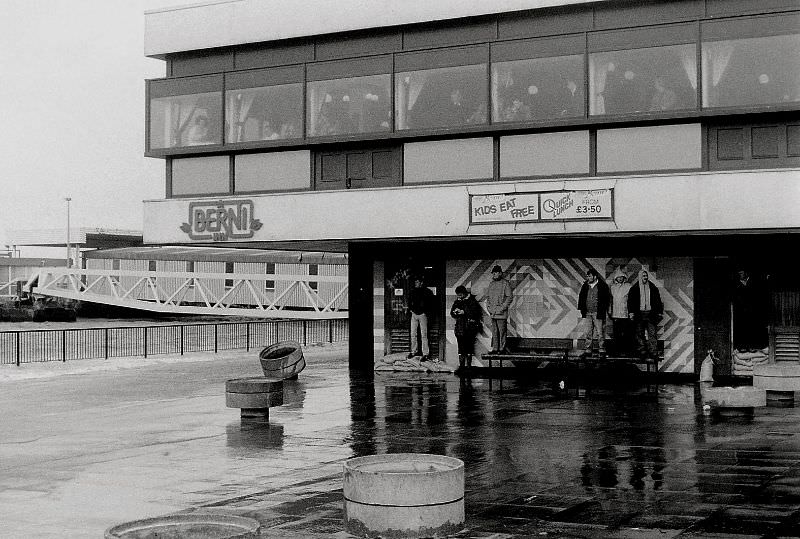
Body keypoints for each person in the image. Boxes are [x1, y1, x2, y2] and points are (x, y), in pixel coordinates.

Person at [627, 270, 664, 360]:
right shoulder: (634, 288)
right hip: (639, 314)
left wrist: (659, 312)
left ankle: (653, 352)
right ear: (640, 277)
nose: (645, 277)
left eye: (646, 275)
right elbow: (630, 302)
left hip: (650, 313)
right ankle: (642, 350)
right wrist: (631, 313)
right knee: (639, 333)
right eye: (643, 276)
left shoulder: (653, 287)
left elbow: (658, 301)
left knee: (652, 333)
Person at [577, 268, 611, 358]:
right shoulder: (585, 285)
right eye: (587, 276)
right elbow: (581, 297)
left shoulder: (603, 286)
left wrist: (604, 310)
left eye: (590, 276)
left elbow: (607, 299)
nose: (588, 277)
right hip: (588, 313)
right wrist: (582, 309)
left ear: (595, 276)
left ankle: (602, 350)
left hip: (598, 313)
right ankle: (588, 350)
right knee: (588, 332)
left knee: (600, 332)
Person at [732, 268, 768, 352]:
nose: (740, 274)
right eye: (739, 273)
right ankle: (743, 347)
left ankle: (752, 346)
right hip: (741, 311)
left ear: (746, 273)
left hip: (753, 310)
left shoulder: (753, 282)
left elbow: (758, 296)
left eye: (741, 273)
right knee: (742, 328)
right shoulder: (737, 284)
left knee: (752, 328)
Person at [451, 285, 482, 372]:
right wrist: (455, 312)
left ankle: (467, 367)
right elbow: (452, 313)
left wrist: (464, 312)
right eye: (458, 295)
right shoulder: (457, 302)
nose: (459, 297)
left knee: (469, 348)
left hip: (469, 328)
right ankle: (462, 366)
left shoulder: (472, 301)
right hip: (460, 328)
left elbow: (476, 313)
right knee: (461, 348)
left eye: (460, 295)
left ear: (464, 294)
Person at [484, 265, 513, 354]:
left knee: (502, 331)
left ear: (500, 273)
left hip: (501, 313)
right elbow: (488, 298)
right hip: (493, 312)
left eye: (495, 272)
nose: (494, 274)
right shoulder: (491, 284)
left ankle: (502, 349)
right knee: (495, 332)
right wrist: (489, 308)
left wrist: (502, 308)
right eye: (493, 273)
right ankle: (495, 349)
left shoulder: (505, 283)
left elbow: (510, 297)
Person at [407, 277, 435, 362]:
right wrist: (411, 310)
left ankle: (425, 354)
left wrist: (425, 312)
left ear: (421, 283)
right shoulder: (412, 291)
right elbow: (409, 301)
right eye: (415, 282)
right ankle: (413, 351)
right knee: (413, 334)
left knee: (424, 334)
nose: (416, 283)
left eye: (417, 282)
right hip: (414, 314)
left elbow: (431, 304)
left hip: (423, 314)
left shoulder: (427, 292)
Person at [609, 269, 632, 356]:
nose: (620, 279)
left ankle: (626, 351)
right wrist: (610, 311)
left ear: (624, 278)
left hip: (625, 314)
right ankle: (617, 351)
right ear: (616, 278)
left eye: (621, 277)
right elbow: (610, 301)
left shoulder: (628, 286)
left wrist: (631, 312)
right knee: (617, 334)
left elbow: (631, 300)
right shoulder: (612, 287)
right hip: (616, 314)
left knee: (626, 334)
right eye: (618, 277)